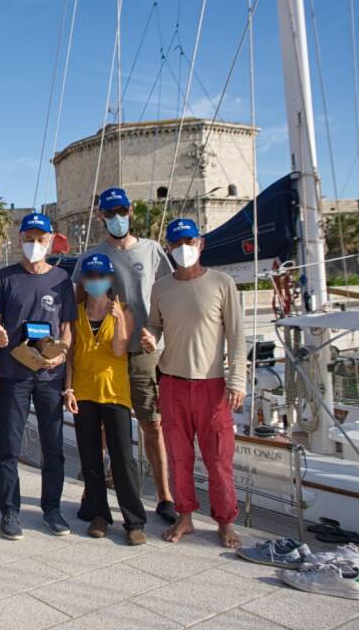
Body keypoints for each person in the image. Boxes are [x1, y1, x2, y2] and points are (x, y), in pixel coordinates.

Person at [72, 187, 176, 523]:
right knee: (102, 429)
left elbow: (167, 295)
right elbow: (78, 302)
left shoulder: (151, 250)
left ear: (130, 211)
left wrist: (157, 333)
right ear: (100, 216)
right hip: (105, 353)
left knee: (151, 423)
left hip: (142, 350)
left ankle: (164, 496)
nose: (117, 218)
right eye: (110, 212)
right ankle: (94, 491)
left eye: (122, 211)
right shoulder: (92, 255)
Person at [141, 218, 246, 548]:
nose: (183, 249)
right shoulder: (161, 288)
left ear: (200, 244)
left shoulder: (221, 283)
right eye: (176, 244)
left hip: (211, 384)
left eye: (189, 242)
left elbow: (237, 335)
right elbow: (155, 326)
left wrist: (237, 380)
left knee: (218, 457)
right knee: (178, 455)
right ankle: (185, 516)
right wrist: (150, 337)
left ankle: (225, 520)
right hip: (172, 382)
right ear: (169, 249)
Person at [0, 212, 76, 540]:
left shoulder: (60, 281)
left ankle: (51, 509)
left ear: (51, 240)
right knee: (9, 446)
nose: (35, 245)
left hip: (49, 378)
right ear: (20, 239)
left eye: (41, 239)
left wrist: (63, 354)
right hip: (14, 374)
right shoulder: (5, 278)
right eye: (29, 239)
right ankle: (9, 511)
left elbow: (67, 329)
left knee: (53, 447)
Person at [64, 253, 148, 545]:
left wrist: (119, 322)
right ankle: (99, 513)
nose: (96, 281)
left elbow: (118, 350)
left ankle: (134, 520)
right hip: (84, 391)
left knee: (123, 458)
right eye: (90, 277)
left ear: (110, 280)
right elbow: (71, 357)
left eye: (101, 276)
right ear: (84, 281)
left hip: (115, 392)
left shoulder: (124, 310)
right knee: (90, 457)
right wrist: (69, 389)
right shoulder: (75, 313)